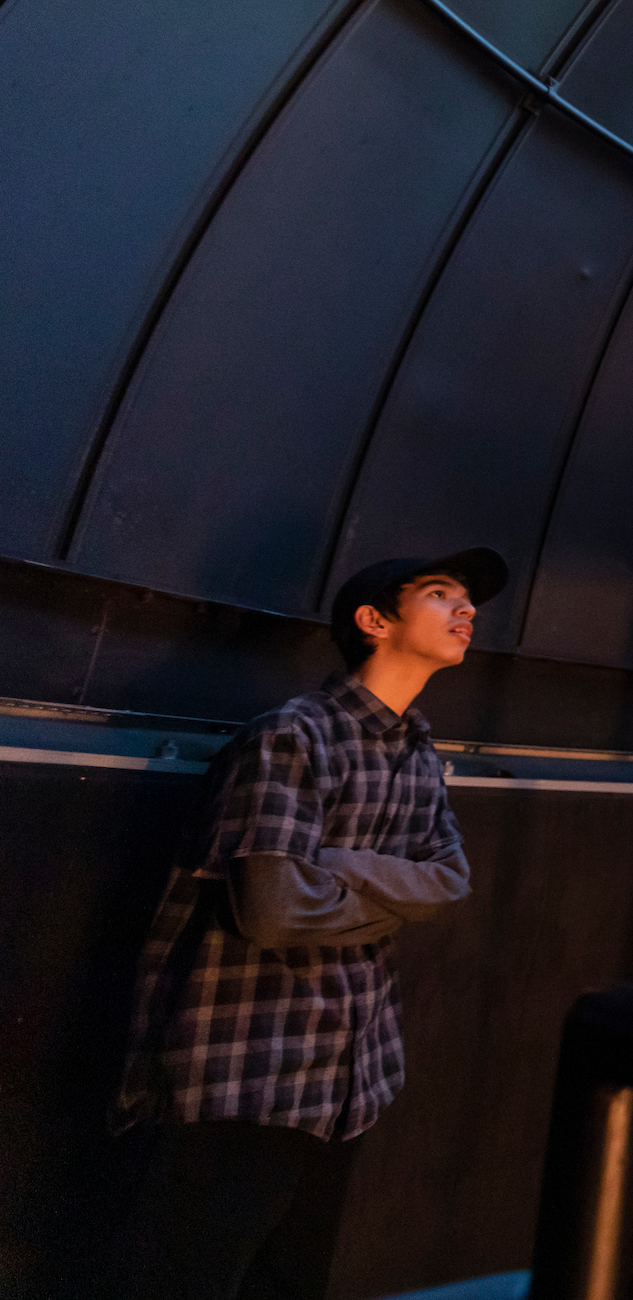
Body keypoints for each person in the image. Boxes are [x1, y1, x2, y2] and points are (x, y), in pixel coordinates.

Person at [111, 548, 504, 1299]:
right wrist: (390, 888)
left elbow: (451, 882)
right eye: (438, 593)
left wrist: (338, 862)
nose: (467, 610)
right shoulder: (293, 736)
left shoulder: (419, 756)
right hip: (245, 1073)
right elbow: (273, 909)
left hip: (348, 1083)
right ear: (373, 620)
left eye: (466, 598)